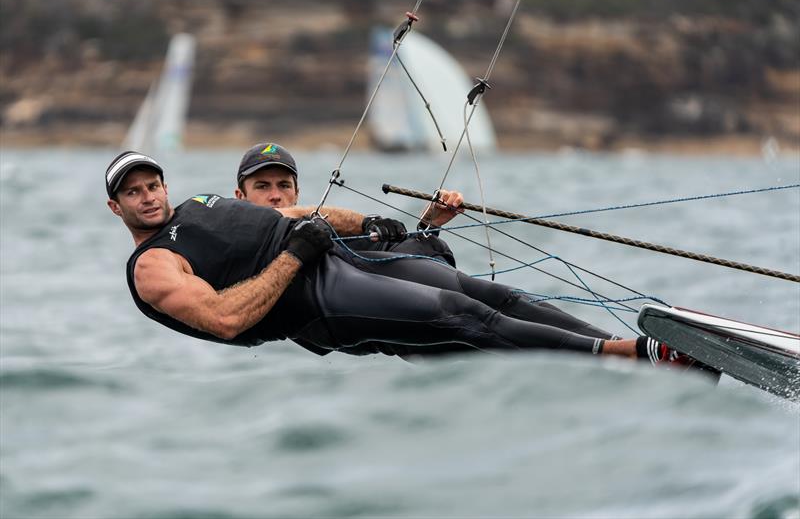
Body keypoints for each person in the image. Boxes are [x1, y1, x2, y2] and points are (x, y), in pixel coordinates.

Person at [105, 150, 711, 372]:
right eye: (133, 192)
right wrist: (296, 257)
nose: (149, 196)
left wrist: (366, 223)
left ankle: (628, 351)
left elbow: (299, 214)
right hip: (315, 302)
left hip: (336, 261)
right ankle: (634, 356)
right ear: (117, 208)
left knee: (492, 294)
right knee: (453, 311)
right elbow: (225, 318)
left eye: (152, 183)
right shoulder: (152, 265)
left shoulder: (201, 205)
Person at [233, 142, 461, 267]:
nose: (275, 195)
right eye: (262, 187)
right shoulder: (226, 237)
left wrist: (430, 225)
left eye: (284, 186)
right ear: (240, 197)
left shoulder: (321, 232)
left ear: (297, 194)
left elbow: (405, 258)